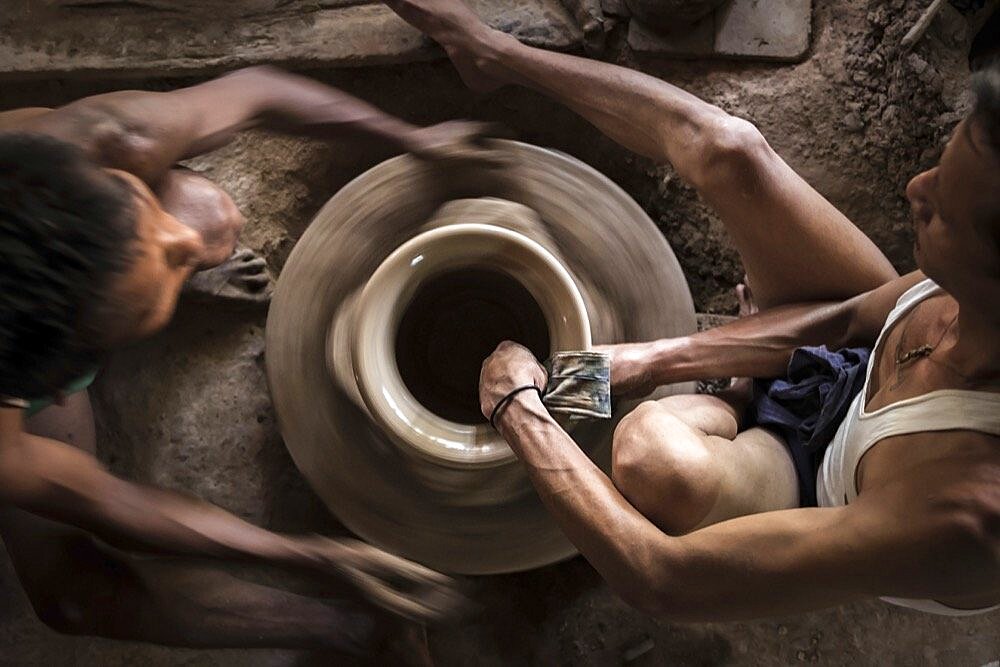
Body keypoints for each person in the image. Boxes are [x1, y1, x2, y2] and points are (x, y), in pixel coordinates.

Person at [385, 0, 1000, 617]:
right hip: (851, 364)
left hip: (814, 484)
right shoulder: (967, 287)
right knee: (729, 148)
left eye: (945, 208)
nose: (915, 189)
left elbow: (665, 580)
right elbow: (846, 321)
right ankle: (494, 56)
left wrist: (516, 411)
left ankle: (736, 400)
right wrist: (653, 360)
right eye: (940, 169)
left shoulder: (966, 518)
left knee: (650, 456)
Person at [0, 66, 487, 658]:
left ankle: (138, 271)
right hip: (27, 371)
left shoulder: (99, 135)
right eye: (176, 270)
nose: (181, 240)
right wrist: (312, 557)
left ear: (97, 169)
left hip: (47, 297)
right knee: (72, 597)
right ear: (56, 386)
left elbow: (261, 92)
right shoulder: (13, 422)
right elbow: (102, 501)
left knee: (209, 217)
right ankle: (360, 635)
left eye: (140, 204)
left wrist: (415, 138)